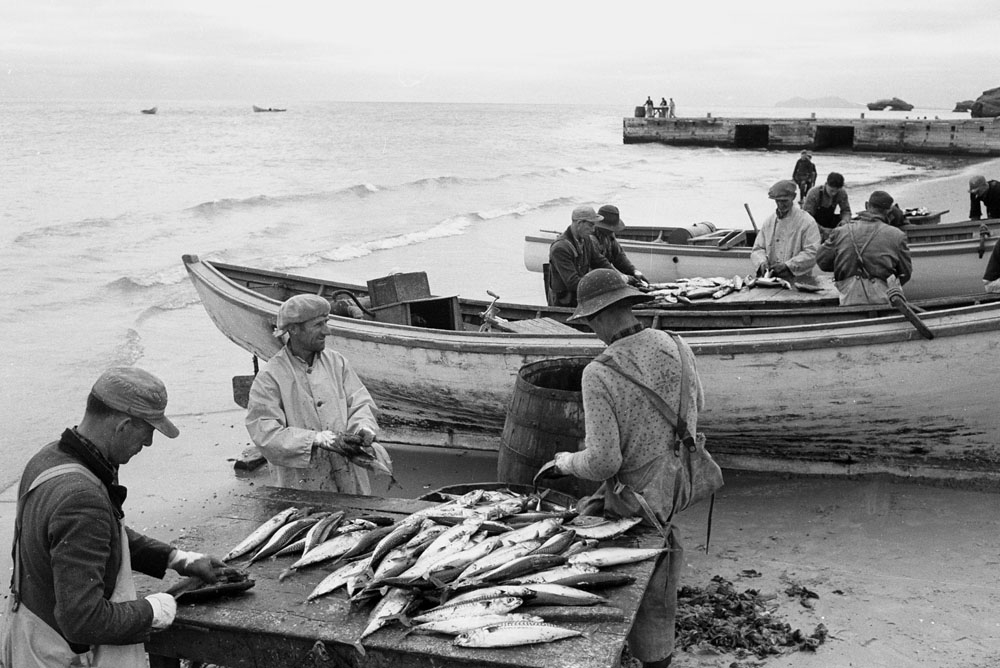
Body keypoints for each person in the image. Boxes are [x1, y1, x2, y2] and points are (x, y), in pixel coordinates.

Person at [1, 367, 227, 667]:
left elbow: (97, 533)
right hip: (60, 656)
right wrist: (155, 609)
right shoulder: (81, 498)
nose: (147, 444)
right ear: (122, 425)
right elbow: (82, 620)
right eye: (147, 432)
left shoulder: (49, 458)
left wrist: (175, 558)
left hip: (28, 630)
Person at [536, 268, 705, 668]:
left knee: (622, 582)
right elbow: (697, 409)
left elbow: (603, 462)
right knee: (660, 575)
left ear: (596, 317)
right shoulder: (677, 345)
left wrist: (563, 463)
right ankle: (657, 654)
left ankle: (629, 656)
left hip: (635, 500)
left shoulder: (600, 373)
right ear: (629, 305)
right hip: (678, 481)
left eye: (590, 321)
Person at [246, 293, 380, 494]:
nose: (327, 331)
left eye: (326, 322)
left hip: (349, 476)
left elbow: (360, 403)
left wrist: (364, 427)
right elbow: (265, 434)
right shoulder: (270, 376)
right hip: (303, 482)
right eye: (318, 325)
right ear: (294, 329)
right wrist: (315, 440)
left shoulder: (337, 362)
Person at [816, 190, 912, 305]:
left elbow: (822, 262)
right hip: (883, 297)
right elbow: (905, 273)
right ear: (889, 211)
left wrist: (845, 265)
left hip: (849, 296)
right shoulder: (898, 235)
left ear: (867, 205)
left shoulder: (841, 231)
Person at [750, 179, 821, 283]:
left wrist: (788, 266)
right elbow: (758, 249)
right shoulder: (769, 222)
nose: (780, 205)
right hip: (771, 280)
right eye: (777, 201)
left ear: (793, 197)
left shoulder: (807, 222)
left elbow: (813, 252)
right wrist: (761, 262)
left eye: (784, 201)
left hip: (799, 280)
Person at [546, 205, 615, 307]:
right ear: (579, 223)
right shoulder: (560, 248)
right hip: (564, 304)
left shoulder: (586, 239)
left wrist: (617, 276)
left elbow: (599, 261)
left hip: (580, 298)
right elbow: (573, 283)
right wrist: (604, 285)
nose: (593, 229)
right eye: (591, 225)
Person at [593, 204, 647, 287]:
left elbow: (618, 256)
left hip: (607, 274)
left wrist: (633, 271)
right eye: (609, 228)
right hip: (593, 278)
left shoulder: (609, 235)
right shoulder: (591, 238)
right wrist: (622, 278)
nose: (612, 231)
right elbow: (600, 263)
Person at [802, 171, 852, 239]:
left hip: (829, 221)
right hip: (814, 223)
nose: (834, 193)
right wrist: (822, 230)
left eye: (836, 191)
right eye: (832, 191)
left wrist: (845, 221)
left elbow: (846, 210)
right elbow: (806, 217)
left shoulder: (841, 193)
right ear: (826, 184)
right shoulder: (813, 193)